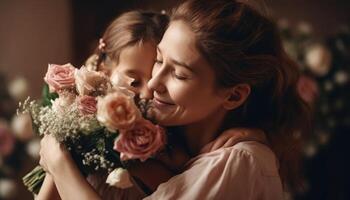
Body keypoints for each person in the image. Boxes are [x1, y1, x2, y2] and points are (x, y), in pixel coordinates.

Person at [39, 0, 311, 199]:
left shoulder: (240, 160)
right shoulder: (171, 143)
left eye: (179, 75)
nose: (154, 83)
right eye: (158, 60)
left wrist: (59, 164)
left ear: (235, 95)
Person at [36, 10, 173, 200]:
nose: (148, 93)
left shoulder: (167, 145)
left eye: (156, 80)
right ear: (104, 72)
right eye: (134, 82)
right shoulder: (83, 132)